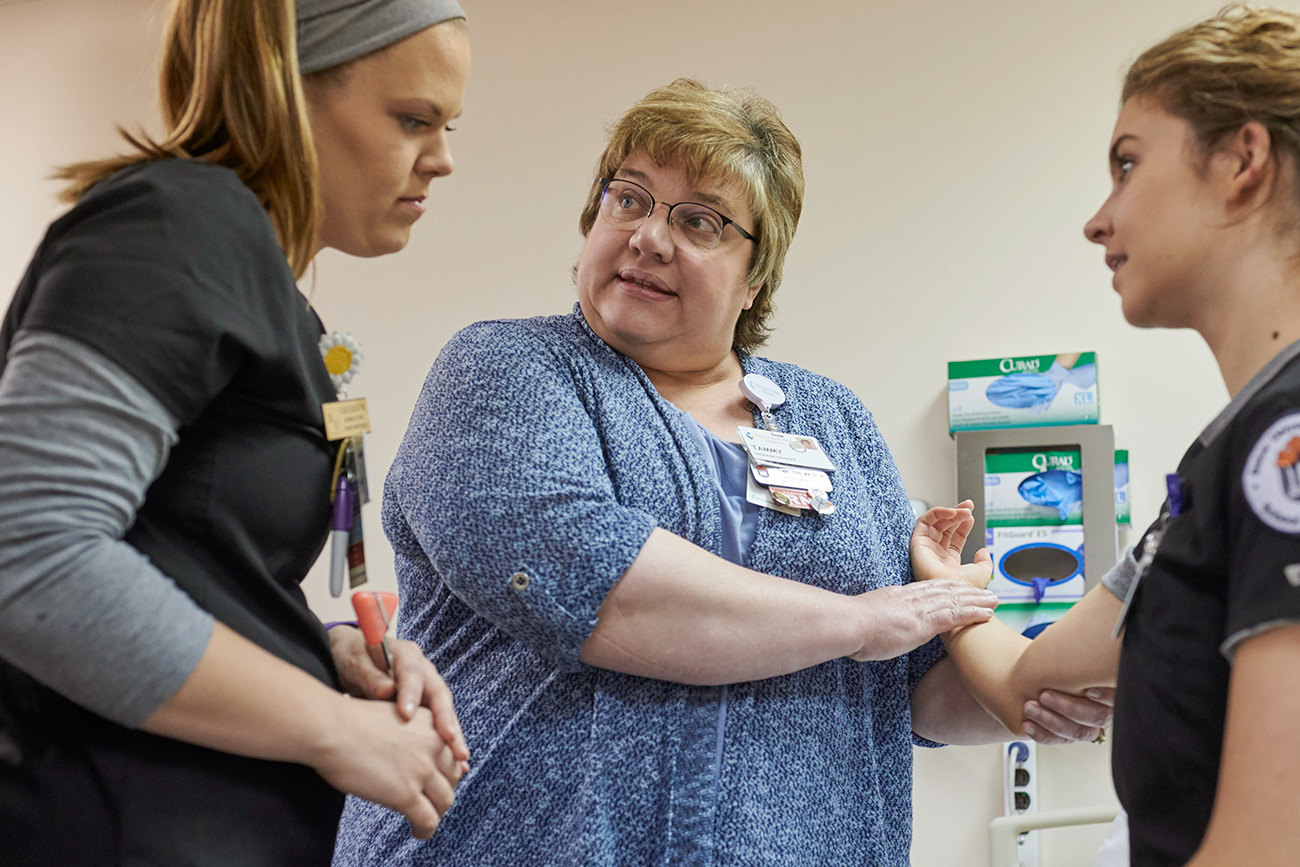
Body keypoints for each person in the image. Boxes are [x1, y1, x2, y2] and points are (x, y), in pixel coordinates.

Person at [332, 78, 1111, 867]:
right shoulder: (505, 371)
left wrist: (1041, 699)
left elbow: (912, 691)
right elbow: (601, 589)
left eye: (698, 220)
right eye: (628, 199)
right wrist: (865, 619)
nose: (648, 237)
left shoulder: (831, 420)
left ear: (757, 279)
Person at [0, 0, 471, 863]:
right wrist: (332, 728)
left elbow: (180, 552)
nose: (441, 159)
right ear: (285, 89)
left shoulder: (257, 276)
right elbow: (28, 550)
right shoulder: (182, 221)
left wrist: (321, 653)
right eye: (413, 119)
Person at [912, 6, 1300, 865]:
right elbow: (1028, 678)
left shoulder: (1287, 440)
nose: (1098, 218)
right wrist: (946, 587)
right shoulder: (1222, 461)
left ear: (1243, 162)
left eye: (1128, 164)